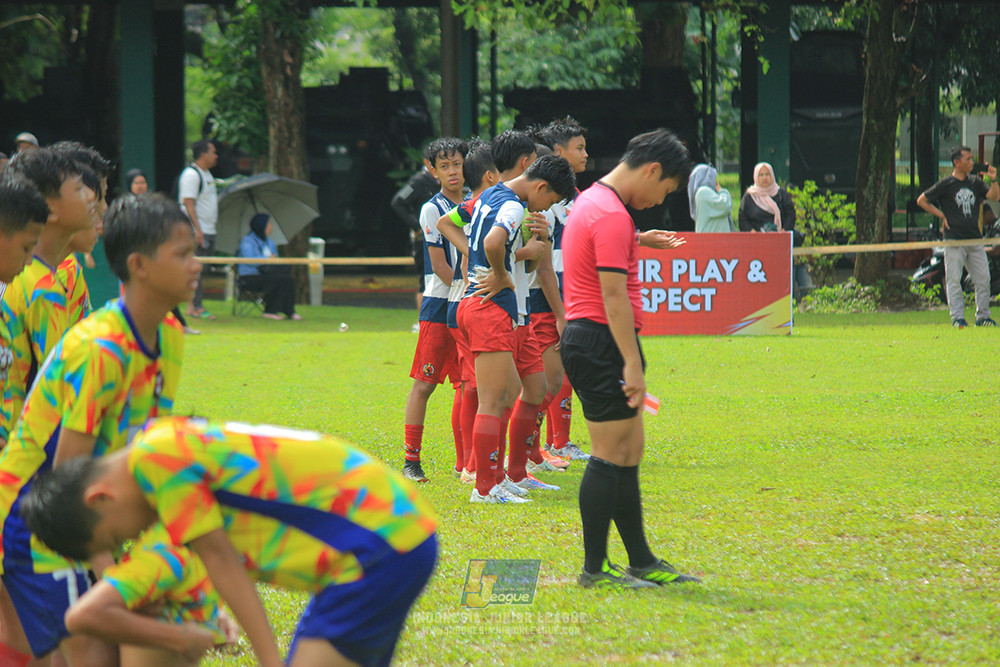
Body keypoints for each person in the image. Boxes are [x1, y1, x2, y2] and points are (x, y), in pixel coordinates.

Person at [22, 416, 439, 667]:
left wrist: (269, 661)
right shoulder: (158, 443)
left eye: (119, 537)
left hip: (376, 546)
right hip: (390, 535)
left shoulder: (156, 459)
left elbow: (220, 560)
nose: (133, 539)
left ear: (101, 497)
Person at [0, 193, 196, 664]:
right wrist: (111, 571)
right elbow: (67, 476)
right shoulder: (102, 351)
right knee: (97, 648)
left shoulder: (167, 332)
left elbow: (146, 449)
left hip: (82, 516)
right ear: (139, 265)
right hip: (35, 513)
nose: (197, 265)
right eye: (183, 253)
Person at [560, 128, 699, 588]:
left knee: (628, 448)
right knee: (608, 452)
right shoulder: (612, 215)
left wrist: (639, 238)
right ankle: (594, 569)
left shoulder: (597, 203)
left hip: (598, 339)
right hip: (600, 340)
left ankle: (640, 559)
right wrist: (632, 365)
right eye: (665, 189)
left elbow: (600, 248)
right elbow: (614, 296)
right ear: (652, 170)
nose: (661, 199)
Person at [457, 153, 576, 504]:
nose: (546, 207)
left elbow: (489, 242)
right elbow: (493, 243)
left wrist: (517, 257)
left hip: (495, 308)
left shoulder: (492, 193)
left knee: (523, 391)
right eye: (550, 200)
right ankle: (485, 488)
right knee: (494, 401)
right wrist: (500, 273)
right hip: (488, 307)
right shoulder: (511, 206)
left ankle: (504, 476)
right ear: (540, 186)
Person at [1, 147, 96, 441]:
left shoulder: (53, 275)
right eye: (80, 188)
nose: (93, 199)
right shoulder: (41, 287)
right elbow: (61, 386)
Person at [402, 138, 467, 483]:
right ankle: (411, 460)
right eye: (445, 166)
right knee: (425, 383)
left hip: (467, 303)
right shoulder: (433, 208)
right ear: (432, 170)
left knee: (466, 385)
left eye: (457, 164)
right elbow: (440, 265)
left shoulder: (475, 202)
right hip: (441, 305)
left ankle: (465, 463)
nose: (453, 172)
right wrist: (467, 289)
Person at [917, 146, 999, 327]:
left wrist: (993, 179)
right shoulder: (946, 184)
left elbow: (994, 196)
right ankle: (957, 318)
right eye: (968, 159)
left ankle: (983, 316)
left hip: (975, 239)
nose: (971, 162)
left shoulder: (975, 183)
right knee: (954, 279)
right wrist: (942, 216)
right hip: (954, 239)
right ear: (957, 162)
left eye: (971, 159)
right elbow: (922, 200)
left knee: (983, 279)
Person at [178, 138, 219, 321]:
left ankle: (194, 305)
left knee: (202, 269)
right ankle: (194, 306)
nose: (216, 156)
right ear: (203, 154)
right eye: (213, 152)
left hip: (208, 228)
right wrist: (197, 230)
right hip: (197, 231)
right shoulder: (191, 175)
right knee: (195, 268)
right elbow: (188, 203)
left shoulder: (207, 174)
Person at [391, 160, 439, 312]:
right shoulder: (419, 181)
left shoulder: (443, 182)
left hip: (441, 237)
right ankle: (422, 323)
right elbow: (397, 202)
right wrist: (416, 226)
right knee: (425, 281)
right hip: (422, 239)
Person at [237, 213, 300, 321]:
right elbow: (250, 260)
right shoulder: (248, 241)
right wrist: (267, 258)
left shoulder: (270, 242)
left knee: (288, 279)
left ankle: (290, 311)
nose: (271, 227)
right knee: (276, 280)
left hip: (267, 273)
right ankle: (269, 311)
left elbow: (275, 259)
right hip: (250, 276)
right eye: (269, 224)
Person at [689, 163, 734, 233]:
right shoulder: (703, 192)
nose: (715, 180)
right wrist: (722, 191)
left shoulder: (705, 193)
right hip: (711, 240)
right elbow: (725, 205)